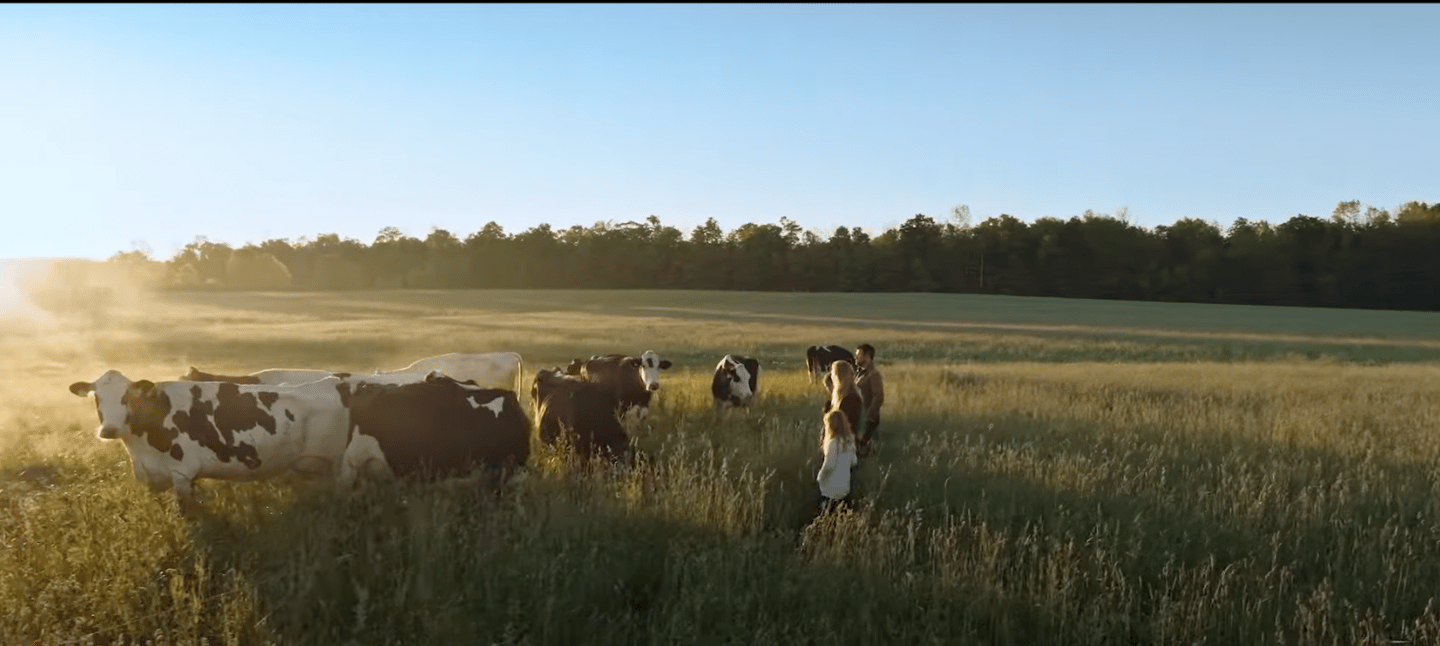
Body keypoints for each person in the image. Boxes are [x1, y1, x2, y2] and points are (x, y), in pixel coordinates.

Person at [816, 410, 858, 513]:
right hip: (844, 487)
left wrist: (820, 477)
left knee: (826, 514)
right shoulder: (849, 441)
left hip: (830, 489)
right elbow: (854, 461)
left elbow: (829, 464)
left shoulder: (833, 443)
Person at [854, 343, 885, 457]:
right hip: (860, 418)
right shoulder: (860, 373)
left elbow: (878, 396)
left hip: (867, 420)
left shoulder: (874, 375)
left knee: (866, 450)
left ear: (867, 356)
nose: (856, 357)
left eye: (859, 355)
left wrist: (869, 415)